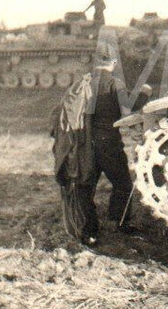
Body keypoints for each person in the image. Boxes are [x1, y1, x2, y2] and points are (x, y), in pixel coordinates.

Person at [51, 48, 151, 246]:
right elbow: (131, 105)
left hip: (85, 144)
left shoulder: (81, 83)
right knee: (123, 184)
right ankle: (120, 223)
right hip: (109, 144)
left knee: (85, 186)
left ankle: (89, 231)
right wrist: (146, 92)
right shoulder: (114, 83)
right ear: (113, 63)